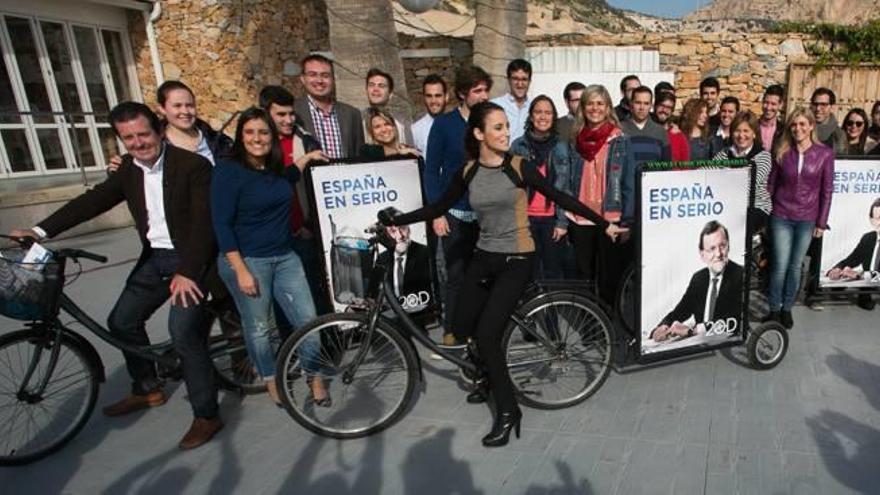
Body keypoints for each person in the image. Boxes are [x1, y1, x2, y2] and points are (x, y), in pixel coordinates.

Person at [380, 101, 624, 447]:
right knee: (463, 325)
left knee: (489, 335)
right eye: (497, 127)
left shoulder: (518, 167)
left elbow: (560, 197)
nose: (506, 132)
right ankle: (485, 377)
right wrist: (395, 220)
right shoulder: (468, 172)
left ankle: (509, 412)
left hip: (517, 258)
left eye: (507, 126)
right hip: (484, 256)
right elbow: (437, 207)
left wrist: (604, 224)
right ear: (479, 134)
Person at [10, 102, 222, 449]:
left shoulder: (192, 166)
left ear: (157, 130)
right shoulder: (128, 169)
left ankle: (207, 415)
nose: (138, 143)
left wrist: (188, 271)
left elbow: (204, 226)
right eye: (129, 138)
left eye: (143, 134)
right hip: (155, 260)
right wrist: (39, 230)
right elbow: (91, 202)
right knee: (122, 321)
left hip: (192, 260)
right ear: (120, 141)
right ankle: (147, 389)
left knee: (182, 333)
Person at [211, 107, 327, 406]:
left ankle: (314, 376)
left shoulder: (274, 169)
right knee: (260, 328)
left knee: (309, 322)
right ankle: (270, 378)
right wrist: (240, 269)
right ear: (240, 136)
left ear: (272, 137)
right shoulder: (227, 170)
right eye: (249, 132)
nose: (257, 138)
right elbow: (221, 223)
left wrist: (308, 158)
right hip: (248, 261)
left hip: (286, 256)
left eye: (263, 132)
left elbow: (288, 177)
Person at [425, 65, 491, 346]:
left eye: (486, 89)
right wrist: (437, 212)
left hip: (485, 213)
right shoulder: (444, 124)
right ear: (463, 93)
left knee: (484, 275)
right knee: (456, 276)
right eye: (478, 91)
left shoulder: (489, 121)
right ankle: (452, 330)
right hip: (454, 213)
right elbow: (431, 171)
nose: (484, 95)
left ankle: (481, 327)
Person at [554, 84, 634, 304]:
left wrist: (627, 220)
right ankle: (589, 321)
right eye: (590, 103)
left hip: (611, 218)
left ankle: (608, 322)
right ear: (583, 107)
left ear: (608, 107)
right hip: (581, 217)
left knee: (609, 276)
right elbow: (566, 182)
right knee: (584, 275)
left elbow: (628, 183)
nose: (595, 108)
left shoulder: (620, 140)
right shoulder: (575, 139)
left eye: (600, 103)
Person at [258, 85, 332, 316]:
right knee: (284, 302)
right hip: (276, 235)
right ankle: (290, 349)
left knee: (316, 293)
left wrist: (309, 225)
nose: (288, 119)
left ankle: (325, 348)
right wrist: (305, 159)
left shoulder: (307, 141)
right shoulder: (257, 146)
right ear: (266, 113)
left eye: (291, 113)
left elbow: (320, 188)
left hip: (306, 233)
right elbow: (270, 184)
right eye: (281, 114)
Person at [767, 106, 834, 329]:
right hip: (781, 215)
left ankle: (787, 308)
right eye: (794, 124)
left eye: (802, 124)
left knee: (795, 266)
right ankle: (774, 309)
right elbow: (771, 184)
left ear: (811, 126)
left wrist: (821, 222)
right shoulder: (782, 151)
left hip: (807, 218)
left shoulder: (824, 154)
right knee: (779, 265)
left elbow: (827, 190)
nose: (798, 128)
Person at [509, 95, 575, 280]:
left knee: (553, 272)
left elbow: (566, 187)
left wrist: (562, 222)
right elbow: (510, 186)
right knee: (529, 273)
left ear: (553, 117)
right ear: (530, 116)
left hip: (552, 221)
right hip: (526, 219)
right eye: (538, 112)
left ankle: (552, 309)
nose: (543, 117)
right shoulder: (517, 146)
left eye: (547, 112)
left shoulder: (561, 147)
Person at [107, 80, 233, 172]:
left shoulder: (218, 141)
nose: (185, 111)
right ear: (162, 109)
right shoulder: (155, 145)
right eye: (177, 106)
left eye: (189, 105)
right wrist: (119, 167)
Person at [650, 221, 743, 343]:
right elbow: (682, 309)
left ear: (729, 246)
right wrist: (663, 326)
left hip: (724, 342)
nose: (718, 254)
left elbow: (733, 320)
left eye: (722, 246)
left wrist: (691, 331)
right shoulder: (699, 278)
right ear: (702, 254)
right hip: (700, 343)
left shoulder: (739, 274)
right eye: (711, 249)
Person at [294, 54, 365, 159]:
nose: (319, 80)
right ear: (303, 79)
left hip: (346, 174)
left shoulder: (352, 114)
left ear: (333, 79)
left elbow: (359, 155)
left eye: (325, 75)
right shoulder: (293, 111)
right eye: (312, 75)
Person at [713, 112, 773, 233]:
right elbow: (707, 172)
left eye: (746, 131)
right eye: (737, 131)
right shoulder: (725, 153)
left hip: (754, 206)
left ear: (754, 133)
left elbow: (747, 186)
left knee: (737, 225)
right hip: (728, 205)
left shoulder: (762, 156)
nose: (741, 135)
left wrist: (722, 179)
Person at [826, 198, 880, 310]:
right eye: (878, 218)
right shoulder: (868, 238)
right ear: (871, 220)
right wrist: (837, 269)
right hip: (868, 281)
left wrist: (858, 276)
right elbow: (852, 259)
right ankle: (864, 292)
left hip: (872, 279)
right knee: (838, 281)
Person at [370, 224, 434, 313]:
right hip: (392, 319)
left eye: (402, 229)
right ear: (387, 236)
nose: (400, 236)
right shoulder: (382, 259)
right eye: (393, 231)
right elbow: (373, 295)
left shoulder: (425, 254)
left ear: (409, 230)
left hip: (421, 316)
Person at [363, 67, 413, 145]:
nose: (376, 89)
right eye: (372, 85)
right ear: (366, 90)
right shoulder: (358, 122)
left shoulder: (402, 125)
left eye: (381, 86)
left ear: (390, 94)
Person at [491, 59, 532, 143]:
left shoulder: (534, 108)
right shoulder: (495, 105)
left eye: (524, 79)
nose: (520, 84)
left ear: (529, 81)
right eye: (515, 79)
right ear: (508, 80)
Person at [411, 74, 448, 156]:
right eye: (429, 96)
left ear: (446, 97)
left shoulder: (458, 125)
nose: (433, 101)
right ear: (424, 98)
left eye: (438, 96)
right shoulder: (415, 130)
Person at [810, 87, 846, 154]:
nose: (818, 108)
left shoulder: (838, 135)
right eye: (815, 104)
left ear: (832, 107)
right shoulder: (802, 129)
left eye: (823, 104)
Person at [759, 84, 785, 154]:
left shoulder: (784, 130)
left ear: (780, 105)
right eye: (766, 102)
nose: (768, 107)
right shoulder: (752, 126)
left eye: (773, 104)